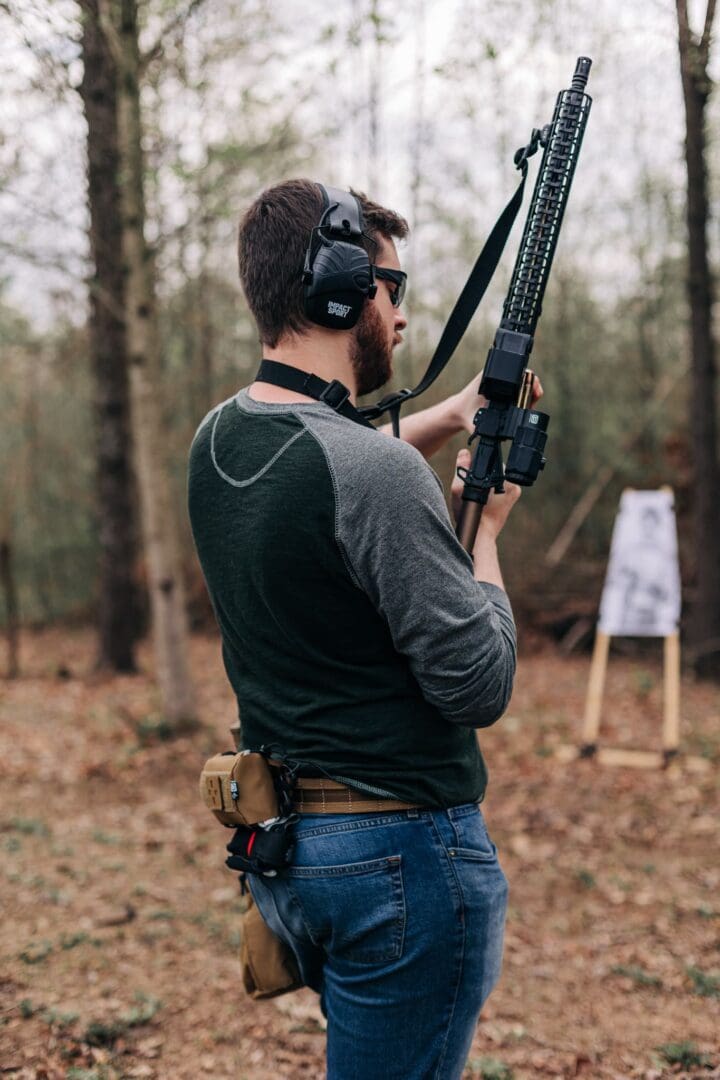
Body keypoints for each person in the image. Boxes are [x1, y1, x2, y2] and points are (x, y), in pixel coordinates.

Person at [188, 179, 537, 1080]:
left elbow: (326, 472)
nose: (403, 317)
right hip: (402, 862)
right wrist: (486, 536)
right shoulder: (373, 473)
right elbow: (479, 685)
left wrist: (450, 415)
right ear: (340, 292)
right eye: (393, 288)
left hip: (292, 861)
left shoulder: (219, 441)